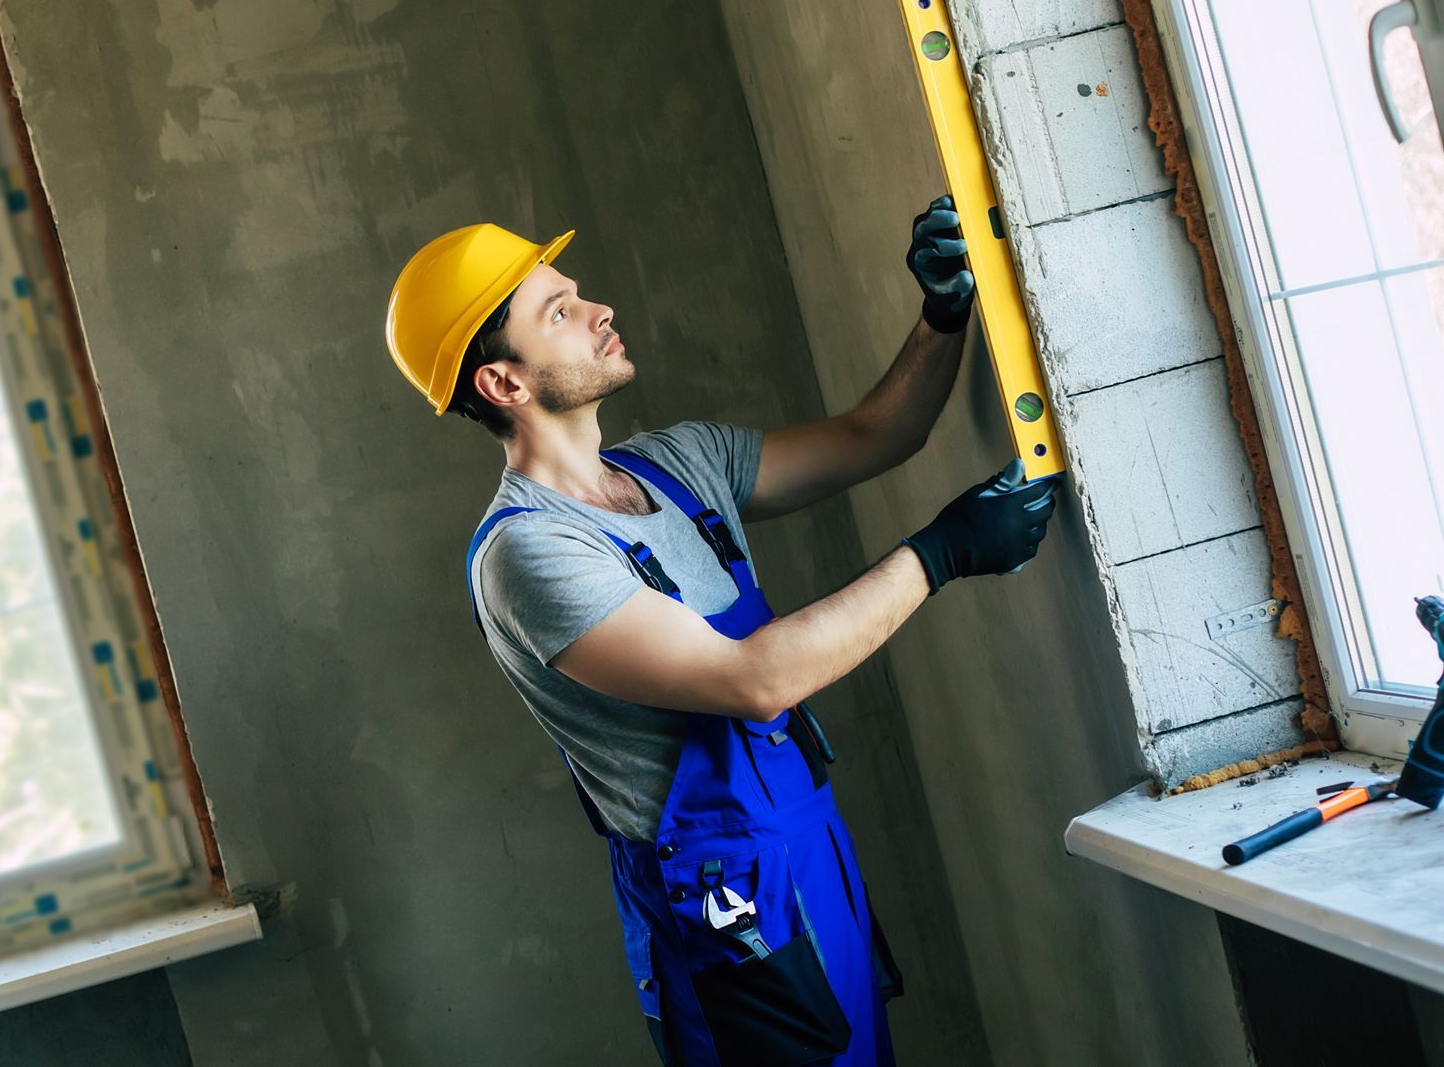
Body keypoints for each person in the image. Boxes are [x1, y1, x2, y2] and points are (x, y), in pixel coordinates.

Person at [383, 200, 1059, 1066]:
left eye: (576, 293)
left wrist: (943, 313)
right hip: (724, 908)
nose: (599, 313)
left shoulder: (679, 462)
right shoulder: (528, 553)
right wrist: (941, 553)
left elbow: (878, 433)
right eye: (559, 312)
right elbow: (754, 680)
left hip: (803, 852)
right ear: (504, 384)